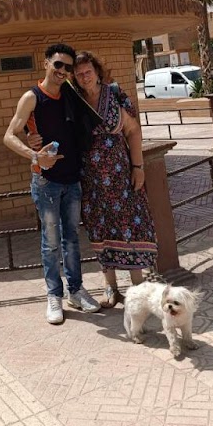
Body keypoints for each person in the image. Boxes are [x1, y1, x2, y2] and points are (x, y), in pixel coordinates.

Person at [4, 42, 101, 324]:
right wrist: (34, 154)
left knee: (71, 239)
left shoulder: (71, 95)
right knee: (50, 243)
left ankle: (76, 291)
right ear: (46, 63)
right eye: (58, 65)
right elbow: (9, 136)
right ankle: (54, 296)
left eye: (68, 68)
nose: (63, 71)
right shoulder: (31, 97)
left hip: (72, 178)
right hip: (46, 181)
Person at [73, 51, 158, 308]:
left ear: (97, 71)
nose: (84, 77)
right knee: (100, 228)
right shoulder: (75, 101)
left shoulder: (115, 93)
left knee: (130, 223)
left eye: (88, 71)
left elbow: (133, 131)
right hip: (92, 180)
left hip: (121, 175)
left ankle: (138, 287)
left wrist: (138, 166)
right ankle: (111, 287)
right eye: (79, 74)